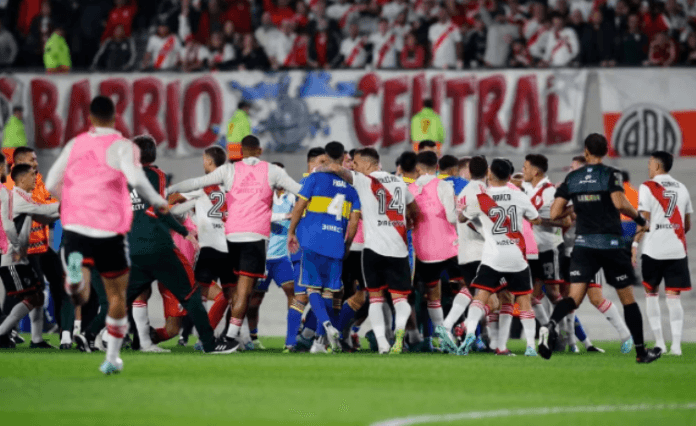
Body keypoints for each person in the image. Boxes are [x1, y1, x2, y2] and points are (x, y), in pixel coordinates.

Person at [44, 96, 170, 374]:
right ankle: (112, 359)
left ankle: (75, 279)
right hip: (109, 230)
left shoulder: (75, 144)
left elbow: (51, 182)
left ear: (90, 118)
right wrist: (158, 201)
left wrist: (72, 202)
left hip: (77, 228)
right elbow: (137, 179)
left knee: (81, 293)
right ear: (115, 117)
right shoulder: (123, 146)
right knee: (117, 296)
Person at [166, 135, 301, 348]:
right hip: (254, 238)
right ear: (260, 151)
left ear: (241, 151)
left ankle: (216, 336)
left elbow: (196, 183)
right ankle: (231, 337)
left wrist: (168, 190)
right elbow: (301, 191)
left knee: (229, 292)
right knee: (243, 292)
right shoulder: (272, 171)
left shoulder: (229, 170)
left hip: (229, 240)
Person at [538, 133, 661, 364]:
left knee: (574, 298)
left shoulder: (572, 177)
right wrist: (640, 220)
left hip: (584, 245)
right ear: (605, 151)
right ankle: (641, 352)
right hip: (610, 244)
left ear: (586, 151)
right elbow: (620, 203)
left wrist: (577, 205)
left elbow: (554, 213)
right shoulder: (610, 174)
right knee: (628, 299)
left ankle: (551, 325)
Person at [125, 135, 237, 355]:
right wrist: (183, 227)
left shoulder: (132, 179)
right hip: (170, 255)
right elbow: (165, 206)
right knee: (197, 296)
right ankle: (208, 342)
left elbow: (167, 202)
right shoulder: (168, 184)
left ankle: (110, 336)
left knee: (169, 325)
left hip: (148, 250)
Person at [323, 148, 417, 354]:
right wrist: (409, 222)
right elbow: (414, 209)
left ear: (367, 164)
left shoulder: (364, 180)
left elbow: (338, 170)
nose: (354, 167)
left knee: (375, 299)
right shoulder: (400, 183)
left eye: (356, 163)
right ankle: (399, 332)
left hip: (373, 251)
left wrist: (322, 167)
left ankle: (383, 344)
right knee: (400, 299)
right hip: (399, 250)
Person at [456, 159, 542, 357]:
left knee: (481, 297)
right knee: (523, 301)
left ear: (489, 174)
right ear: (510, 176)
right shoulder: (518, 195)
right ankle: (530, 347)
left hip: (492, 257)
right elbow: (535, 218)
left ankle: (470, 331)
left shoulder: (482, 198)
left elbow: (462, 218)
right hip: (517, 257)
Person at [287, 141, 360, 353]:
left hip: (312, 241)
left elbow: (299, 206)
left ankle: (326, 327)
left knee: (310, 290)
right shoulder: (351, 189)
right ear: (343, 159)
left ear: (326, 157)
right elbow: (354, 221)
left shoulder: (314, 179)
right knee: (330, 293)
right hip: (336, 243)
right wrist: (348, 243)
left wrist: (291, 231)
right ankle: (319, 343)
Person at [5, 147, 71, 349]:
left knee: (57, 287)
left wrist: (60, 209)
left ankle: (63, 334)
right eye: (32, 159)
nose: (36, 162)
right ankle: (7, 332)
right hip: (24, 251)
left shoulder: (37, 180)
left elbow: (45, 207)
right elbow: (39, 209)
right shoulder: (11, 186)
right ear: (20, 161)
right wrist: (68, 206)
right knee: (23, 294)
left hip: (41, 246)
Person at [167, 146, 233, 335]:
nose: (203, 162)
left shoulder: (204, 186)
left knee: (198, 291)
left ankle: (199, 330)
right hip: (229, 248)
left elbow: (173, 199)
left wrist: (186, 204)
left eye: (204, 159)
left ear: (209, 161)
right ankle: (215, 334)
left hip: (207, 249)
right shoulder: (233, 185)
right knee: (228, 296)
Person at [633, 151, 691, 356]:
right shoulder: (682, 187)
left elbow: (644, 221)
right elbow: (687, 224)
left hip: (653, 250)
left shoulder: (647, 187)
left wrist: (634, 244)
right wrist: (672, 233)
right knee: (674, 299)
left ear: (657, 166)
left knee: (651, 295)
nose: (648, 167)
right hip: (677, 250)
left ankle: (659, 343)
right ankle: (676, 346)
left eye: (650, 163)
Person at [408, 151, 459, 350]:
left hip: (423, 250)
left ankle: (439, 334)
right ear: (437, 167)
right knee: (467, 288)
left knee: (432, 294)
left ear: (418, 168)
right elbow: (452, 217)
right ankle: (448, 329)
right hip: (449, 248)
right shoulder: (444, 185)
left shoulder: (410, 189)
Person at [248, 162, 297, 350]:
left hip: (282, 257)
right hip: (262, 257)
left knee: (292, 292)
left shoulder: (292, 196)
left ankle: (293, 335)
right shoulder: (261, 195)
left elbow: (299, 216)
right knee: (254, 300)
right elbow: (260, 217)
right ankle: (252, 337)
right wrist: (285, 216)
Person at [443, 156, 487, 347]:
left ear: (469, 172)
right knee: (495, 298)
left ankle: (450, 326)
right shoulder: (481, 192)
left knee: (472, 291)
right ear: (487, 171)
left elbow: (454, 218)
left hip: (465, 251)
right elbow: (473, 220)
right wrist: (490, 235)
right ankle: (464, 327)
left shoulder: (464, 192)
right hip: (481, 252)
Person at [522, 154, 566, 333]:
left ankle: (565, 334)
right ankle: (549, 331)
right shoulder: (525, 189)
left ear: (535, 171)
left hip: (549, 248)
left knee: (554, 293)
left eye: (525, 168)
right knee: (530, 296)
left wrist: (541, 221)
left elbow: (566, 222)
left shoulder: (551, 192)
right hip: (531, 250)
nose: (523, 171)